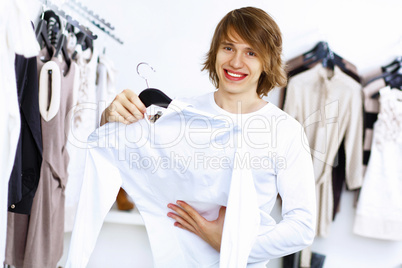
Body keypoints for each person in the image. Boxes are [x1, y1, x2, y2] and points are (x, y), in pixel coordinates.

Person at [101, 6, 316, 266]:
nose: (236, 62)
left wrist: (229, 245)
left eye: (251, 52)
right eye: (228, 47)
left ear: (267, 62)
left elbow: (302, 226)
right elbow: (120, 162)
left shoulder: (285, 131)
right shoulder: (178, 114)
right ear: (215, 52)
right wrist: (110, 119)